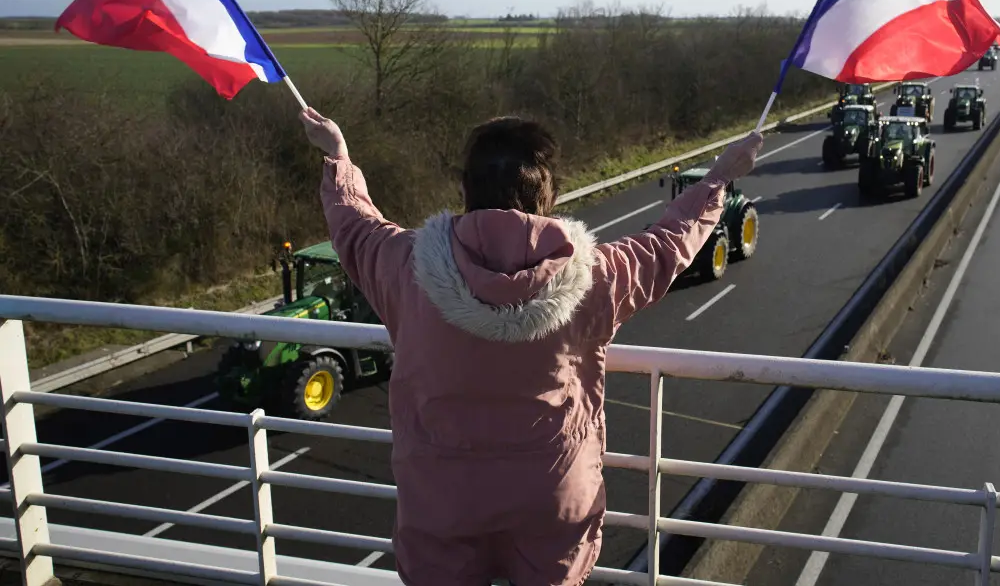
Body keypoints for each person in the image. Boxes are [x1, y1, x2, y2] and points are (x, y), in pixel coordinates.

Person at [299, 108, 763, 586]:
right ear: (551, 197)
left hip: (442, 498)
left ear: (465, 190)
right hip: (553, 498)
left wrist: (338, 156)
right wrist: (719, 178)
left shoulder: (405, 265)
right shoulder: (596, 277)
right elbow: (665, 247)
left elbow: (354, 226)